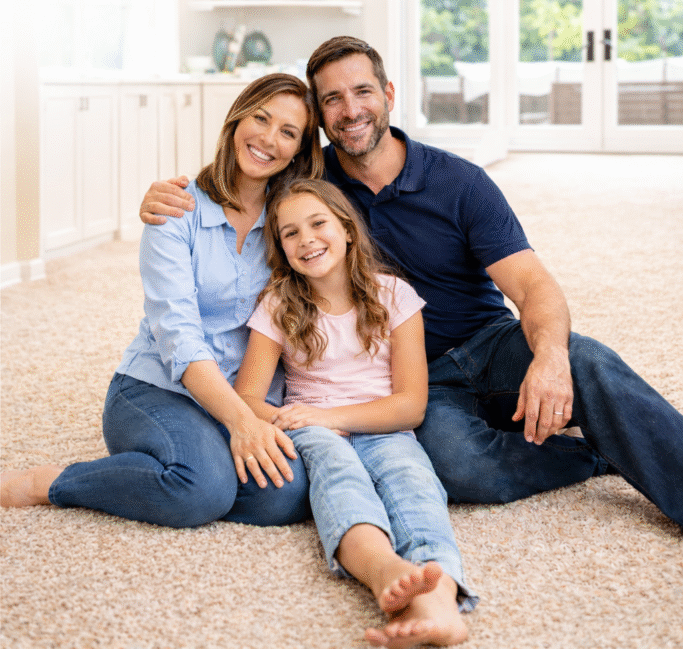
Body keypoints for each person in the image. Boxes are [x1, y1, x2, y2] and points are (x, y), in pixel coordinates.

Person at [139, 38, 683, 526]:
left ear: (389, 93)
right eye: (332, 99)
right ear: (321, 117)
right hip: (415, 376)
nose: (350, 110)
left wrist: (550, 359)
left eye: (362, 92)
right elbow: (248, 167)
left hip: (489, 343)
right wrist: (168, 197)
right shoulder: (309, 185)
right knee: (457, 467)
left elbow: (533, 285)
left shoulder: (459, 181)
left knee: (582, 359)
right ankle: (594, 453)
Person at [1, 74, 324, 528]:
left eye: (288, 132)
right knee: (200, 491)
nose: (268, 139)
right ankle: (50, 482)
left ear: (300, 150)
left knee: (286, 497)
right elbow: (178, 335)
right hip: (159, 388)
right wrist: (241, 424)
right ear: (236, 119)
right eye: (261, 118)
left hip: (244, 394)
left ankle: (189, 470)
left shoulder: (294, 222)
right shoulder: (175, 209)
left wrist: (251, 416)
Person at [234, 178, 477, 648]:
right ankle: (383, 570)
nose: (306, 239)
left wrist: (330, 417)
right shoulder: (279, 305)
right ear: (281, 249)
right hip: (313, 428)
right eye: (290, 233)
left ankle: (440, 605)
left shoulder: (395, 296)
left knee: (414, 482)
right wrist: (290, 419)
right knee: (338, 474)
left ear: (347, 230)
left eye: (318, 223)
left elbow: (410, 405)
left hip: (379, 424)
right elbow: (246, 397)